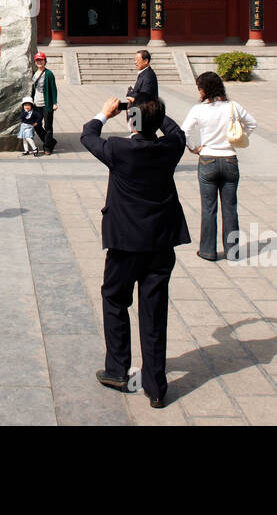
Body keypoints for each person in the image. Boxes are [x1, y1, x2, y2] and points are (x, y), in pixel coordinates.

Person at [81, 95, 188, 409]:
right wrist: (153, 112)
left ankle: (117, 370)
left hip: (125, 243)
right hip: (160, 243)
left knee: (115, 299)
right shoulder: (169, 149)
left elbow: (88, 135)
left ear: (130, 121)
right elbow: (177, 133)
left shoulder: (119, 149)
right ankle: (156, 388)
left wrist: (105, 113)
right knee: (154, 311)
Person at [181, 71, 258, 261]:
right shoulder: (233, 106)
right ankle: (232, 251)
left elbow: (184, 132)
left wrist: (193, 148)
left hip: (207, 159)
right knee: (230, 207)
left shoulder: (198, 109)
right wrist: (239, 138)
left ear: (205, 89)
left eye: (200, 87)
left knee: (209, 208)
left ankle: (208, 250)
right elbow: (252, 123)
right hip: (230, 158)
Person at [31, 52, 58, 156]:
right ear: (35, 62)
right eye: (37, 60)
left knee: (48, 126)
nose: (39, 62)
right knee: (36, 125)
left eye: (41, 60)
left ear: (45, 61)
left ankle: (47, 147)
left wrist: (55, 103)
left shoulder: (49, 74)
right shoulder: (34, 72)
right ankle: (50, 141)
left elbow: (53, 89)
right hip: (36, 104)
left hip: (47, 104)